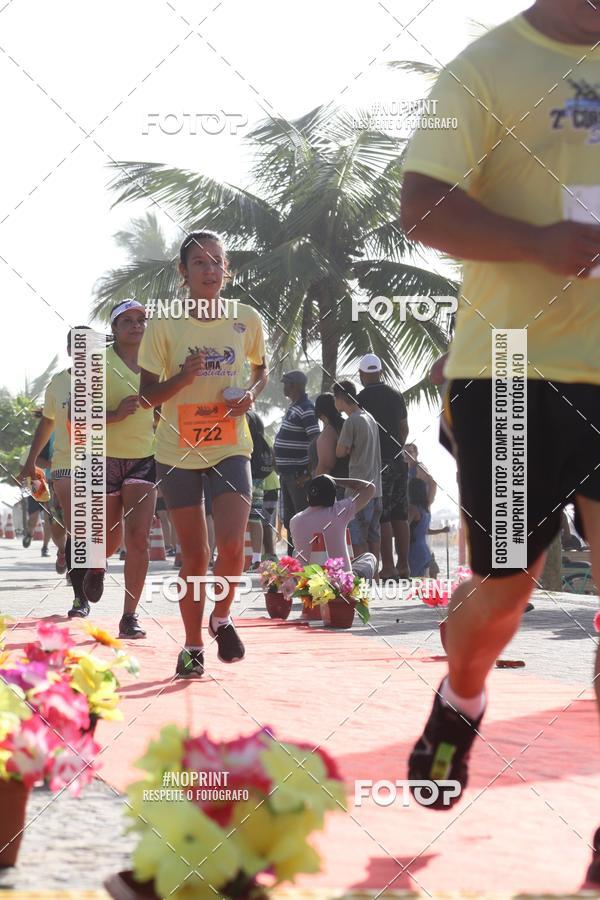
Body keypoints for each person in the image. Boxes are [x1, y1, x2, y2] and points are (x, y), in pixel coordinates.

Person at [400, 3, 600, 872]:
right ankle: (462, 695)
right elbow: (419, 208)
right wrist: (538, 244)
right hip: (510, 368)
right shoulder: (479, 69)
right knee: (508, 592)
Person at [139, 230, 267, 679]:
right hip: (177, 450)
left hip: (231, 443)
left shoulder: (246, 318)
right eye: (199, 262)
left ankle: (223, 616)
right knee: (195, 556)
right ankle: (193, 644)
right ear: (183, 272)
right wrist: (182, 379)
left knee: (234, 545)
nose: (209, 270)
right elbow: (147, 396)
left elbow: (260, 370)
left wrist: (250, 395)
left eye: (217, 261)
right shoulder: (164, 324)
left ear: (226, 270)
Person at [19, 327, 92, 617]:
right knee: (78, 526)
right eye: (79, 346)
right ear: (70, 350)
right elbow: (47, 422)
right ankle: (80, 598)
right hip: (66, 464)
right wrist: (31, 461)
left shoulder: (111, 377)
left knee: (96, 534)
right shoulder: (59, 383)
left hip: (107, 462)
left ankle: (92, 568)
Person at [97, 300, 157, 638]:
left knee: (139, 538)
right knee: (107, 540)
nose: (136, 326)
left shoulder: (156, 363)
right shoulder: (97, 363)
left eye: (141, 320)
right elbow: (77, 419)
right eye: (128, 321)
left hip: (144, 458)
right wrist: (116, 416)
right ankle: (96, 564)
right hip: (103, 458)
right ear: (115, 328)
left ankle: (129, 616)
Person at [356, 354, 410, 580]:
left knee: (382, 516)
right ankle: (404, 566)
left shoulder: (359, 398)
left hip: (378, 463)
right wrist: (398, 448)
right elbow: (404, 428)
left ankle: (387, 567)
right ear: (380, 371)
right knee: (400, 514)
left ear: (361, 374)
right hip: (398, 460)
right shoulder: (396, 395)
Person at [290, 474, 377, 582]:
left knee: (296, 551)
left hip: (306, 585)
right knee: (369, 558)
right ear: (333, 497)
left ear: (308, 497)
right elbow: (370, 488)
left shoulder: (295, 520)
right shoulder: (340, 511)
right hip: (341, 584)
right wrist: (335, 480)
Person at [333, 380, 382, 567]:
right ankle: (375, 575)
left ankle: (364, 577)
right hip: (377, 490)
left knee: (358, 538)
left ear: (340, 398)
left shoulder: (351, 421)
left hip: (358, 491)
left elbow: (340, 452)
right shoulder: (370, 418)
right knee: (373, 536)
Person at [274, 370, 320, 552]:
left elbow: (315, 440)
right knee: (290, 519)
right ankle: (294, 560)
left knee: (300, 519)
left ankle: (303, 559)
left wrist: (307, 473)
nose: (284, 386)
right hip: (287, 474)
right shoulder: (294, 407)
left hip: (298, 475)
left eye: (286, 383)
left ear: (295, 386)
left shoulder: (306, 408)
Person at [408, 477, 449, 577]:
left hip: (414, 550)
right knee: (421, 584)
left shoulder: (413, 509)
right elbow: (425, 531)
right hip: (425, 551)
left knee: (412, 582)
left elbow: (404, 528)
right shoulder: (425, 511)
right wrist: (442, 530)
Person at [308, 393, 349, 491]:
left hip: (334, 487)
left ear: (319, 413)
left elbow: (325, 466)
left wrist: (316, 490)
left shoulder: (329, 431)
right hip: (346, 483)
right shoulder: (345, 425)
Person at [403, 443, 437, 507]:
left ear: (416, 454)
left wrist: (427, 504)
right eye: (405, 452)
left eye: (410, 452)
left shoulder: (418, 467)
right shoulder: (406, 469)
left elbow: (432, 483)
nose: (407, 455)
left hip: (419, 511)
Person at [261, 468, 280, 561]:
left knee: (264, 522)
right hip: (269, 484)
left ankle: (271, 555)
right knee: (263, 522)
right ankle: (269, 554)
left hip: (267, 486)